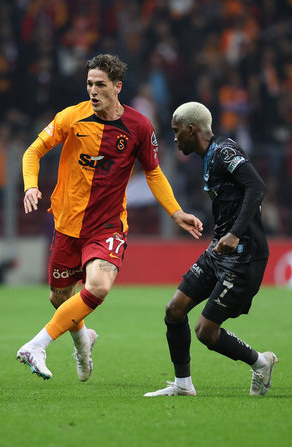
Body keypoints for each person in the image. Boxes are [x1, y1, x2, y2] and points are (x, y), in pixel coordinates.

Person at [16, 54, 203, 382]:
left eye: (100, 84)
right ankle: (83, 341)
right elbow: (33, 151)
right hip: (68, 225)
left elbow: (153, 173)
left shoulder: (139, 126)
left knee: (98, 286)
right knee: (59, 298)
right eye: (89, 84)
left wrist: (176, 212)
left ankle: (37, 345)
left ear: (117, 87)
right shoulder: (71, 117)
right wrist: (31, 186)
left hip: (107, 226)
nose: (93, 90)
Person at [144, 102, 277, 398]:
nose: (174, 138)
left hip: (245, 256)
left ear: (191, 130)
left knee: (206, 331)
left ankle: (261, 363)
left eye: (177, 131)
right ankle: (183, 384)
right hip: (219, 251)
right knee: (174, 310)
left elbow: (257, 187)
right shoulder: (208, 156)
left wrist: (234, 233)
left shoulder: (223, 151)